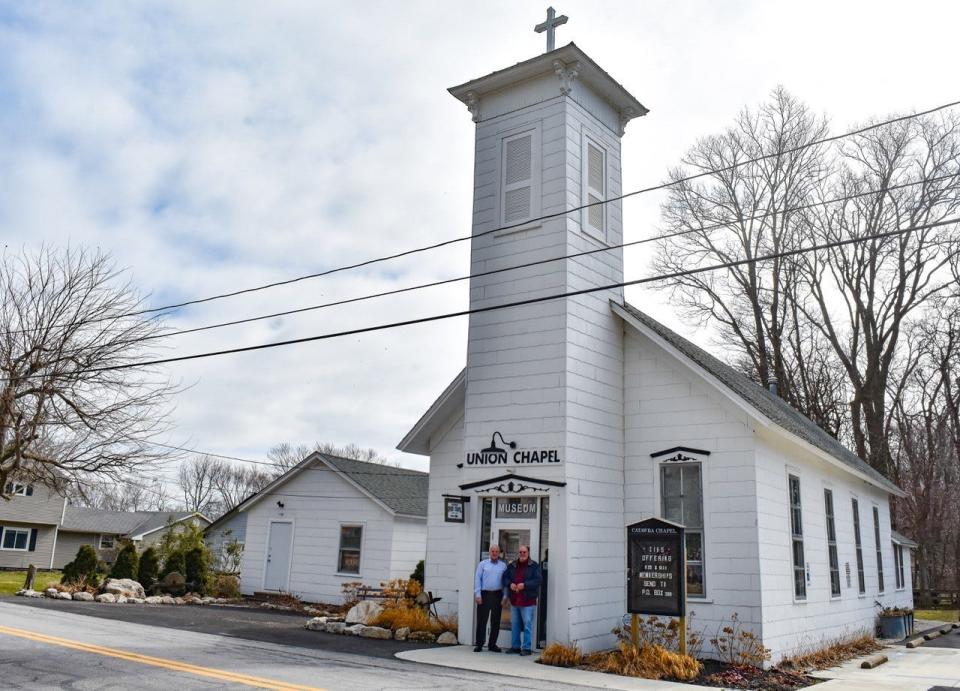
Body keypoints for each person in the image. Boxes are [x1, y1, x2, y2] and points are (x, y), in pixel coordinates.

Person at [502, 544, 541, 656]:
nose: (522, 554)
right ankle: (515, 647)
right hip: (515, 600)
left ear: (528, 553)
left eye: (524, 552)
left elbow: (538, 580)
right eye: (520, 552)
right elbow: (505, 578)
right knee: (515, 624)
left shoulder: (534, 566)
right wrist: (510, 584)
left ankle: (527, 648)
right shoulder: (512, 565)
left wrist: (525, 585)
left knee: (527, 625)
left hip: (528, 601)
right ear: (518, 553)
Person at [473, 544, 508, 652]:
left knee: (495, 621)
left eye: (496, 551)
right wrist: (477, 594)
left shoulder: (503, 566)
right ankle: (479, 644)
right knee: (482, 620)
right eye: (492, 551)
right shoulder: (482, 564)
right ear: (489, 552)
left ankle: (492, 644)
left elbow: (506, 582)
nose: (494, 553)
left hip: (498, 595)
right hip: (485, 594)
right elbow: (477, 579)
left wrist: (505, 596)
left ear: (499, 553)